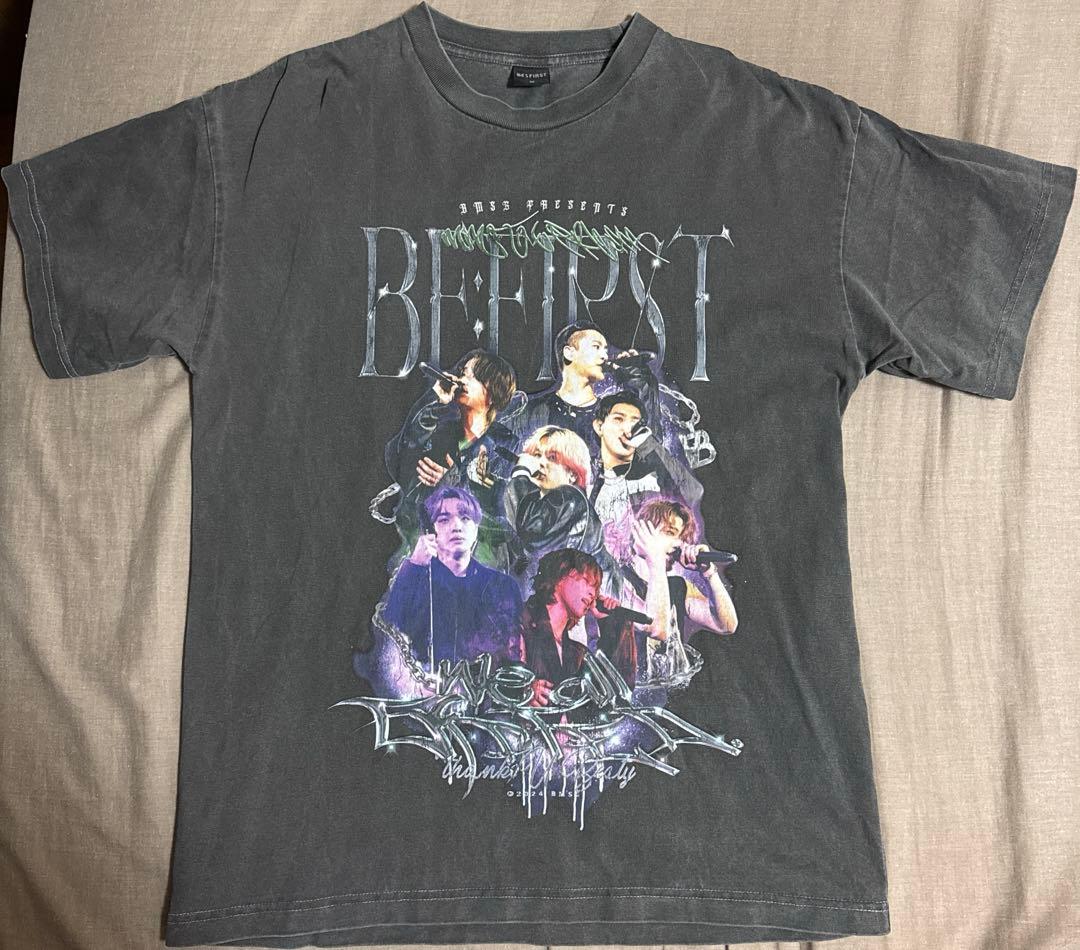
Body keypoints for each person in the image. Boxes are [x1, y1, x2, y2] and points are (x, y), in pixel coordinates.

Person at [384, 349, 520, 571]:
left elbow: (499, 517)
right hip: (431, 559)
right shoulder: (441, 433)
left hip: (481, 566)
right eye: (463, 373)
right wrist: (434, 400)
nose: (462, 379)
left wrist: (450, 483)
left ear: (493, 391)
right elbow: (399, 460)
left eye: (473, 376)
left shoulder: (506, 446)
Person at [383, 486, 522, 669]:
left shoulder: (503, 586)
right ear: (430, 532)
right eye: (444, 519)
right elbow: (390, 636)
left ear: (476, 530)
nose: (456, 526)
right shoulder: (415, 579)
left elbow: (514, 651)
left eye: (465, 518)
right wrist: (414, 565)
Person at [622, 499, 738, 684]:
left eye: (682, 538)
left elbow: (726, 625)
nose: (679, 544)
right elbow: (656, 628)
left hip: (670, 694)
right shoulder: (618, 581)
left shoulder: (677, 586)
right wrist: (655, 559)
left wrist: (709, 573)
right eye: (670, 532)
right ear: (644, 530)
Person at [589, 390, 704, 561]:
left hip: (647, 570)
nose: (627, 429)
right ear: (599, 426)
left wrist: (647, 444)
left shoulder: (652, 476)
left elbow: (692, 492)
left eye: (635, 423)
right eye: (618, 419)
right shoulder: (588, 479)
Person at [503, 425, 618, 592]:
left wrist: (521, 471)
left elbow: (530, 524)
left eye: (552, 458)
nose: (540, 463)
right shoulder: (551, 508)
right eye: (536, 455)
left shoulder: (572, 499)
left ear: (572, 474)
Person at [509, 323, 660, 448]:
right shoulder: (531, 412)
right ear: (569, 353)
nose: (605, 356)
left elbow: (648, 450)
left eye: (605, 350)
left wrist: (639, 382)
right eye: (596, 347)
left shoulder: (612, 415)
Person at [517, 549, 634, 709]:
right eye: (587, 581)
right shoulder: (518, 624)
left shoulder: (577, 653)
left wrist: (612, 624)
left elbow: (617, 694)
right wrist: (522, 690)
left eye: (596, 589)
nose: (593, 593)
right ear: (561, 576)